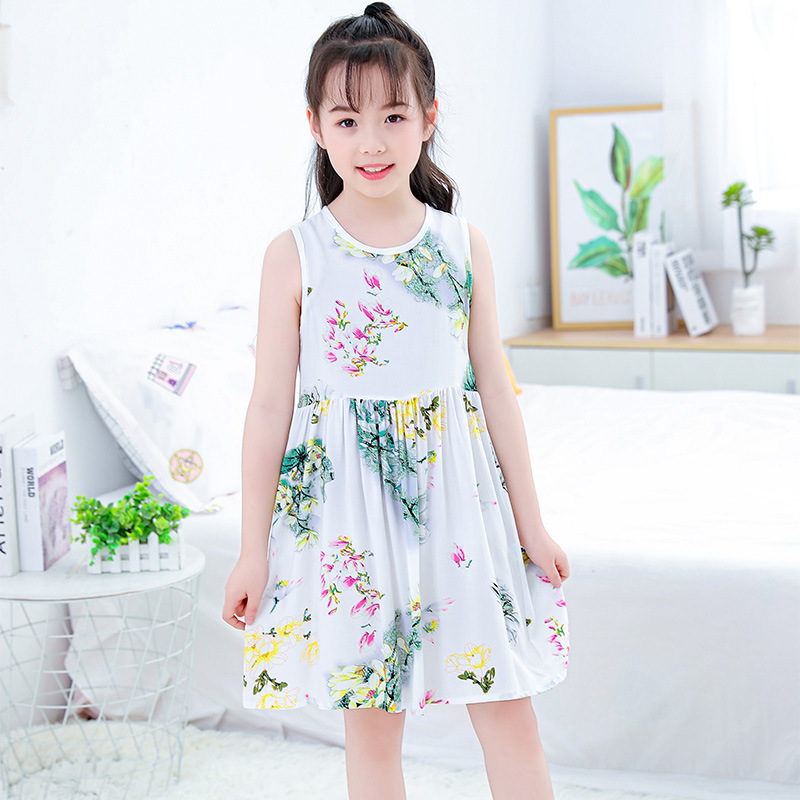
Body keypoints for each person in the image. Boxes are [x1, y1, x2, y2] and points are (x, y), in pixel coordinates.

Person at [222, 4, 571, 798]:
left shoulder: (461, 244)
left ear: (428, 119)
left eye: (393, 116)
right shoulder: (294, 255)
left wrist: (532, 524)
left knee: (508, 711)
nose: (371, 142)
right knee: (373, 727)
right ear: (316, 127)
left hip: (461, 508)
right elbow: (270, 407)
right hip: (346, 518)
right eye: (348, 120)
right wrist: (252, 548)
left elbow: (495, 391)